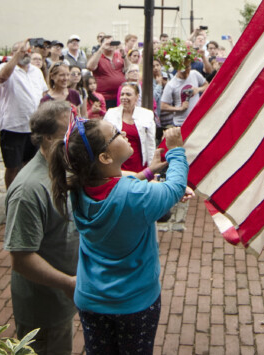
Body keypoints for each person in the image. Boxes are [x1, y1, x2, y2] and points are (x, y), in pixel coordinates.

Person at [47, 118, 187, 355]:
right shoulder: (135, 196)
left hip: (90, 298)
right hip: (134, 303)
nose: (123, 132)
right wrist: (176, 150)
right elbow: (175, 188)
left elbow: (117, 183)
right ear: (105, 157)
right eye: (116, 133)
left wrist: (148, 172)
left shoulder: (78, 187)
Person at [2, 102, 80, 355]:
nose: (76, 134)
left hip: (60, 297)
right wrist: (69, 283)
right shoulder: (28, 189)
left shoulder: (58, 167)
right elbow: (22, 259)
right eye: (68, 129)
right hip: (44, 308)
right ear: (47, 137)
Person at [0, 40, 49, 188]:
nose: (25, 53)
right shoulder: (5, 68)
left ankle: (27, 191)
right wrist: (16, 57)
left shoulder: (36, 71)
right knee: (12, 166)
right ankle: (11, 194)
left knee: (31, 164)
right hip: (13, 127)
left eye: (27, 51)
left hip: (33, 128)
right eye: (20, 51)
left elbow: (44, 94)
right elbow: (2, 78)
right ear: (13, 53)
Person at [103, 83, 157, 178]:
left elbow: (151, 143)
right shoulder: (111, 113)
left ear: (137, 97)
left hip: (139, 164)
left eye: (128, 94)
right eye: (122, 94)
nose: (124, 97)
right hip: (117, 164)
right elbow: (104, 138)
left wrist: (152, 169)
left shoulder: (147, 115)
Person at [160, 57, 208, 128]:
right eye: (183, 71)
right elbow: (162, 106)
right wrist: (180, 108)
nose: (186, 73)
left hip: (197, 120)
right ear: (177, 69)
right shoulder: (171, 84)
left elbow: (207, 85)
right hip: (181, 123)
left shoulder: (194, 74)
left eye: (188, 68)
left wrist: (198, 89)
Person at [86, 35, 125, 109]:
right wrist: (102, 48)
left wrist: (124, 53)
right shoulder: (98, 56)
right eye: (107, 43)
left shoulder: (119, 55)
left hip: (120, 96)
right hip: (104, 97)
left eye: (112, 42)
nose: (110, 45)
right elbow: (90, 67)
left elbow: (129, 68)